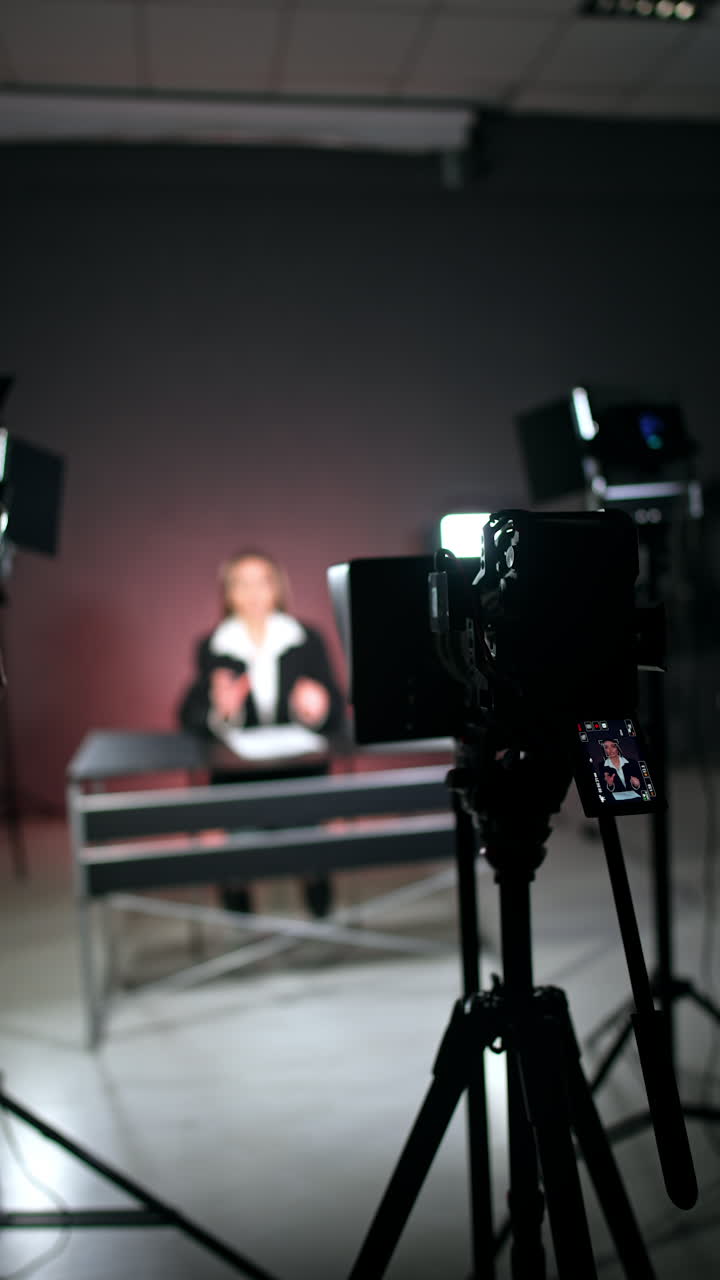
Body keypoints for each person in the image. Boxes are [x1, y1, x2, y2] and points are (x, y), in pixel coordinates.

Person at [178, 549, 346, 916]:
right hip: (239, 779)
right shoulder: (213, 646)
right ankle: (240, 904)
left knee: (309, 846)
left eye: (262, 582)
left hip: (302, 773)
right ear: (228, 593)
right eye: (242, 584)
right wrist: (220, 710)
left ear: (277, 588)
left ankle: (317, 898)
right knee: (240, 853)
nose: (253, 593)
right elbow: (188, 715)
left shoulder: (306, 639)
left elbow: (336, 705)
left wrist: (317, 708)